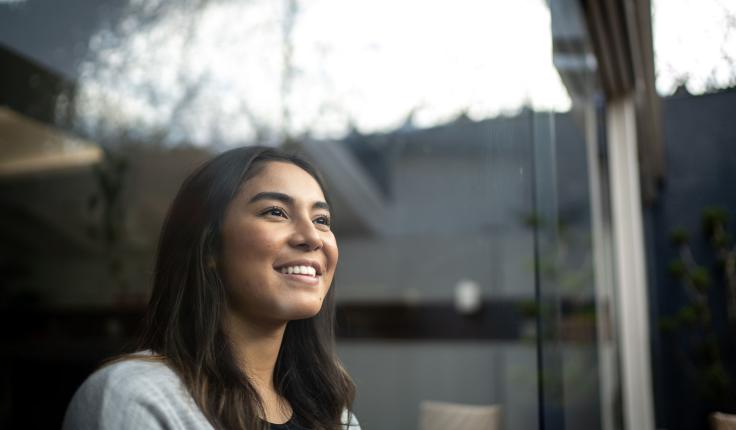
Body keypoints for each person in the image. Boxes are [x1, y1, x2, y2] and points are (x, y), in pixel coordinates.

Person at [62, 146, 360, 430]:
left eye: (322, 219)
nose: (313, 237)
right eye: (276, 212)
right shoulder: (134, 396)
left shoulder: (336, 417)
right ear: (209, 248)